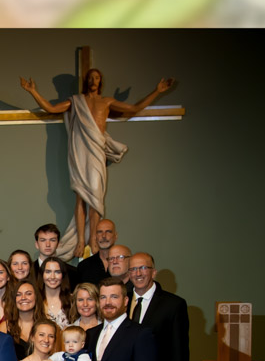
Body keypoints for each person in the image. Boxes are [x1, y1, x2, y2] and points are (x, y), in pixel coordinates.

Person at [20, 70, 174, 258]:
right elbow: (51, 109)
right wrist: (33, 91)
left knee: (95, 197)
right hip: (79, 151)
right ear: (86, 81)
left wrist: (157, 91)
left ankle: (92, 239)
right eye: (91, 77)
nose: (94, 80)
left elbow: (133, 109)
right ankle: (79, 241)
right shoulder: (75, 101)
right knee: (80, 196)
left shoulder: (106, 102)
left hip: (96, 153)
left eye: (97, 77)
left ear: (100, 81)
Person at [75, 218, 117, 286]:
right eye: (100, 232)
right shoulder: (84, 267)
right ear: (95, 237)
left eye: (108, 231)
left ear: (115, 236)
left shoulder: (124, 264)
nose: (103, 236)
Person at [40, 258, 73, 327]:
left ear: (63, 275)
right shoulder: (35, 301)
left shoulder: (72, 300)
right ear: (42, 275)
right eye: (48, 272)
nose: (52, 276)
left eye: (57, 272)